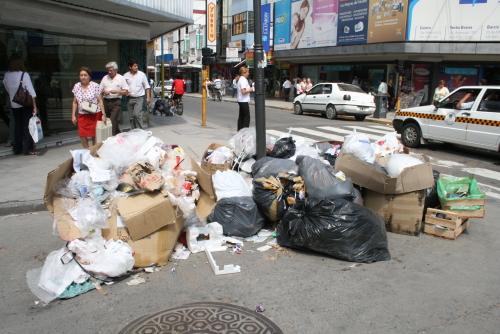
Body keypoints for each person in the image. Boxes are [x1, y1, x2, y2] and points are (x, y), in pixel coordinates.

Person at [2, 56, 38, 155]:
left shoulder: (7, 75)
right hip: (25, 104)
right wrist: (35, 106)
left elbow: (6, 88)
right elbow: (31, 91)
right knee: (27, 126)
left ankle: (17, 148)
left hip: (14, 104)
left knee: (17, 126)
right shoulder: (24, 74)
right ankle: (27, 148)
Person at [71, 67, 106, 148]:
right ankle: (87, 152)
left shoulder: (95, 86)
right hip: (82, 115)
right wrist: (73, 115)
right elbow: (74, 102)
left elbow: (100, 101)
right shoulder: (77, 86)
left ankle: (94, 152)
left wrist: (104, 114)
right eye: (81, 75)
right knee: (82, 135)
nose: (83, 77)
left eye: (85, 75)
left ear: (89, 76)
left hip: (95, 114)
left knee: (95, 135)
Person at [100, 61, 128, 135]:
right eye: (108, 70)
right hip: (106, 101)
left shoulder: (121, 78)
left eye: (111, 70)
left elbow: (126, 91)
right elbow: (100, 90)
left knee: (112, 120)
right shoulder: (105, 78)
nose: (109, 72)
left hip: (116, 102)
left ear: (116, 70)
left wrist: (117, 91)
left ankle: (111, 137)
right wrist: (104, 91)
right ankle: (118, 134)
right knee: (109, 120)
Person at [124, 58, 151, 129]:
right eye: (134, 66)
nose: (136, 67)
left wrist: (148, 97)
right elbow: (123, 86)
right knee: (131, 117)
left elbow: (147, 86)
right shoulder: (125, 75)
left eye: (137, 66)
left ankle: (141, 131)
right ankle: (134, 131)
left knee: (136, 114)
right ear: (130, 67)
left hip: (139, 98)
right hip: (129, 98)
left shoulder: (142, 75)